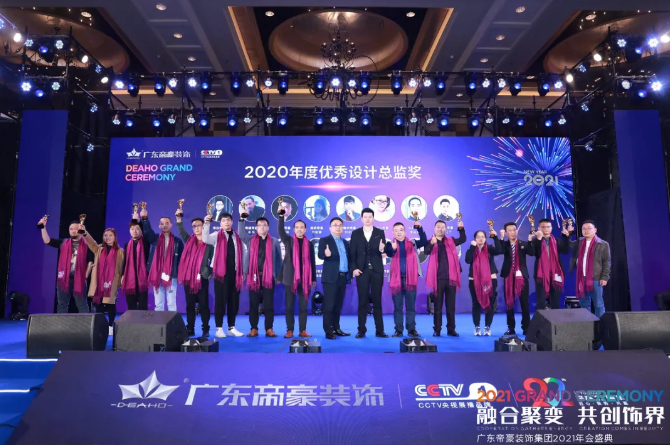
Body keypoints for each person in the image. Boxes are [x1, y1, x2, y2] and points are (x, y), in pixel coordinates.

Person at [204, 212, 247, 338]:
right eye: (223, 220)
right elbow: (205, 239)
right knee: (220, 302)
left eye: (228, 220)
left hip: (235, 274)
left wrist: (243, 272)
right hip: (221, 275)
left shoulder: (237, 237)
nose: (226, 222)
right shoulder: (216, 236)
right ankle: (218, 328)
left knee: (234, 302)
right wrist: (206, 223)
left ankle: (231, 327)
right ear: (220, 223)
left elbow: (244, 254)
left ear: (232, 222)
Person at [38, 217, 93, 314]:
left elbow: (90, 261)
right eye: (71, 229)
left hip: (80, 279)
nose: (73, 231)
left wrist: (86, 276)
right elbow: (47, 241)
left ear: (81, 229)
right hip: (64, 279)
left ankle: (86, 324)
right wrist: (43, 227)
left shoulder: (87, 244)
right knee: (62, 305)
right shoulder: (63, 243)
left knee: (82, 305)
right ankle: (61, 324)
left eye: (76, 229)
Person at [239, 215, 282, 337]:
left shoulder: (274, 241)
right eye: (260, 225)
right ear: (256, 228)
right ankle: (254, 328)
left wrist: (278, 275)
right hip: (253, 277)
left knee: (268, 304)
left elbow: (278, 259)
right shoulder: (250, 240)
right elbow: (241, 235)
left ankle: (269, 328)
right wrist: (241, 220)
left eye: (264, 225)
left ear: (268, 227)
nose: (262, 227)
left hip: (268, 277)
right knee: (253, 304)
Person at [278, 207, 316, 338]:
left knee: (303, 306)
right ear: (294, 229)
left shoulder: (309, 244)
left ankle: (302, 330)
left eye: (302, 227)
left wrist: (313, 278)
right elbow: (280, 231)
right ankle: (289, 330)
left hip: (305, 280)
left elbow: (312, 262)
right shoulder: (288, 240)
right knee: (289, 306)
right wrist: (281, 216)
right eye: (297, 227)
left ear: (305, 230)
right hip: (290, 279)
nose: (299, 229)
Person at [385, 220, 428, 337]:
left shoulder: (412, 243)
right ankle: (398, 330)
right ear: (393, 232)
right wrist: (393, 249)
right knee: (397, 307)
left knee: (411, 307)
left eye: (401, 230)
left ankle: (411, 329)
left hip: (410, 280)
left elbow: (424, 241)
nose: (398, 232)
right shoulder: (390, 244)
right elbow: (389, 253)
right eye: (396, 230)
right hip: (396, 281)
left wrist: (419, 228)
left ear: (405, 231)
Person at [349, 207, 387, 338]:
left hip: (377, 271)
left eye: (370, 217)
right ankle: (361, 330)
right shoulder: (355, 233)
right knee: (362, 302)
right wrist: (354, 268)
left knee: (377, 301)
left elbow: (383, 251)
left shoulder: (380, 232)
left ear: (373, 218)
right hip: (362, 272)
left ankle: (380, 330)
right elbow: (352, 254)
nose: (367, 219)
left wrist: (382, 249)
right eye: (365, 217)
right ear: (361, 219)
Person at [137, 207, 185, 311]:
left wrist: (180, 273)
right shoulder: (155, 239)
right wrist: (144, 218)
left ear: (171, 225)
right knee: (159, 304)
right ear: (159, 226)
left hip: (171, 275)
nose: (165, 225)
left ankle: (172, 322)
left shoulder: (177, 241)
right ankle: (159, 322)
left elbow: (182, 259)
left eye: (167, 223)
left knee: (172, 304)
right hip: (157, 274)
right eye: (162, 224)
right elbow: (147, 232)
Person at [424, 219, 466, 336]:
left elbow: (463, 239)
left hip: (451, 278)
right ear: (434, 228)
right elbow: (426, 252)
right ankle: (437, 329)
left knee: (450, 306)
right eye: (438, 227)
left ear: (446, 229)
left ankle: (451, 329)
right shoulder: (431, 241)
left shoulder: (451, 240)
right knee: (438, 306)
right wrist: (431, 243)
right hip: (438, 279)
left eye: (443, 227)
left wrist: (461, 228)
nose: (440, 229)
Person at [82, 226, 124, 335]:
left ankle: (110, 326)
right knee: (99, 304)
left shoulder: (120, 251)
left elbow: (122, 267)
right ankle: (101, 325)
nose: (107, 237)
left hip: (112, 281)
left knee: (110, 304)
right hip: (99, 281)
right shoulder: (99, 249)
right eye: (105, 235)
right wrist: (85, 232)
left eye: (110, 235)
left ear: (115, 237)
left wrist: (121, 279)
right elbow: (91, 242)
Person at [177, 213, 214, 337]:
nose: (196, 228)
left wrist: (209, 272)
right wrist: (178, 219)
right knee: (190, 305)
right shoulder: (189, 240)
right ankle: (190, 328)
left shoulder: (209, 243)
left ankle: (205, 328)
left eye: (199, 225)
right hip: (189, 277)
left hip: (202, 277)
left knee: (204, 305)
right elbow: (181, 230)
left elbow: (214, 260)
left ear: (204, 227)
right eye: (194, 226)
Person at [498, 223, 535, 335]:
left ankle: (526, 327)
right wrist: (501, 238)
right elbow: (500, 250)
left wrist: (530, 240)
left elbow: (532, 253)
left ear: (517, 231)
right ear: (506, 233)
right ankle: (511, 327)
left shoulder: (523, 244)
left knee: (524, 303)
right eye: (509, 230)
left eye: (514, 230)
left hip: (522, 277)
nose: (512, 232)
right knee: (509, 303)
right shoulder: (504, 245)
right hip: (508, 276)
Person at [569, 220, 611, 318]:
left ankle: (600, 325)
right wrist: (569, 234)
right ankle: (587, 324)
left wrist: (604, 277)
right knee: (583, 304)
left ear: (595, 230)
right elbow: (569, 245)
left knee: (598, 305)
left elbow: (606, 262)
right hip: (581, 278)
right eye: (584, 229)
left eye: (589, 228)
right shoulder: (580, 242)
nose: (586, 231)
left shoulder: (603, 244)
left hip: (596, 278)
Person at [318, 217, 351, 339]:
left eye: (340, 225)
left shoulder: (346, 243)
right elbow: (320, 255)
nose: (338, 227)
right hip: (330, 278)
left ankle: (336, 328)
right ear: (330, 228)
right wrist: (325, 254)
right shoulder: (324, 240)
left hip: (342, 277)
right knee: (329, 306)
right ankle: (328, 331)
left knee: (338, 305)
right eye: (335, 225)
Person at [465, 229, 501, 336]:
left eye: (482, 237)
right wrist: (472, 247)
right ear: (474, 239)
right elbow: (468, 260)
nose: (480, 239)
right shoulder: (471, 250)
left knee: (489, 303)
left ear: (485, 238)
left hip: (490, 280)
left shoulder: (490, 249)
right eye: (478, 237)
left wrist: (495, 237)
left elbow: (499, 250)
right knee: (476, 304)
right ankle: (477, 327)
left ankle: (487, 327)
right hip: (474, 280)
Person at [529, 219, 570, 309]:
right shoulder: (535, 241)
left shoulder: (557, 241)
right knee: (541, 301)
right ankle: (541, 318)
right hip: (541, 274)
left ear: (551, 228)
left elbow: (566, 251)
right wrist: (539, 240)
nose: (546, 229)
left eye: (548, 227)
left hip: (556, 273)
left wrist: (566, 238)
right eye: (543, 227)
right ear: (539, 228)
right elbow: (535, 253)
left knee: (555, 301)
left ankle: (555, 318)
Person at [121, 219, 150, 310]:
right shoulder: (127, 244)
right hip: (130, 277)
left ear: (141, 230)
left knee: (142, 306)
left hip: (142, 277)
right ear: (129, 231)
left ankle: (143, 320)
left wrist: (141, 219)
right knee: (131, 304)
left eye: (137, 229)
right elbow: (125, 261)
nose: (135, 231)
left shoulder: (146, 242)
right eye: (132, 229)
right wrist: (123, 275)